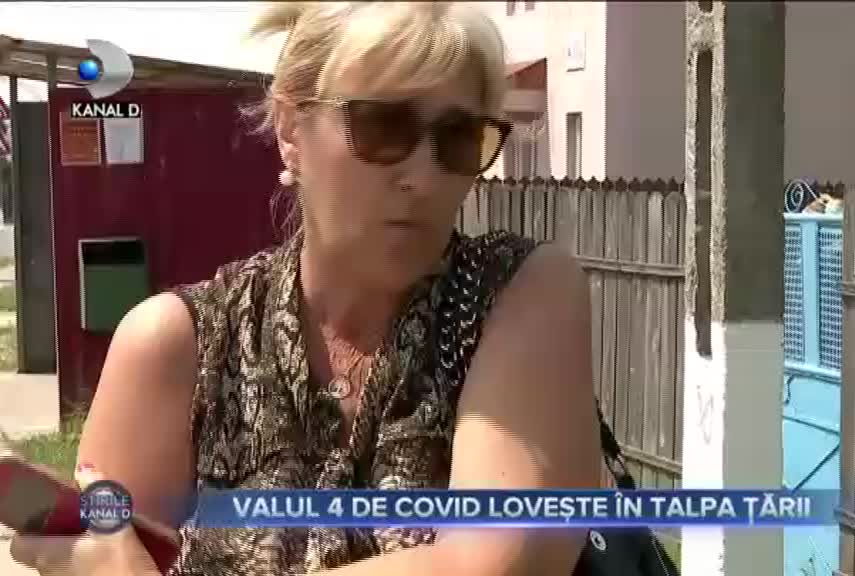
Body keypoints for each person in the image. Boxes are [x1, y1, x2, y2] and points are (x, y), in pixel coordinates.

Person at [10, 2, 603, 575]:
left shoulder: (515, 293)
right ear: (291, 128)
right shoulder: (176, 347)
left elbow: (501, 559)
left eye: (458, 138)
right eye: (381, 126)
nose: (424, 176)